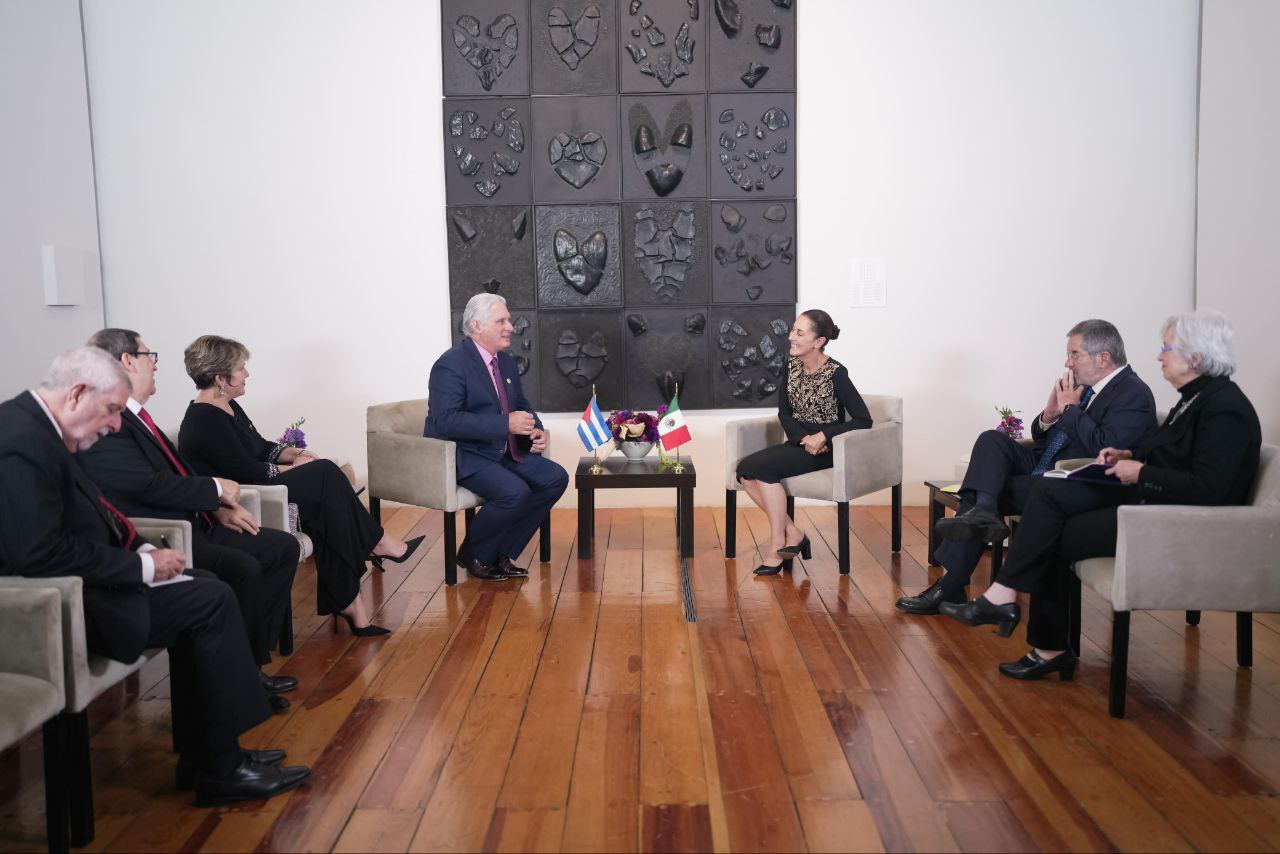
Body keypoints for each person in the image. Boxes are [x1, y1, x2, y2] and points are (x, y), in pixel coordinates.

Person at [0, 347, 309, 804]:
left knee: (206, 587)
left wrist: (143, 548)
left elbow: (97, 515)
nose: (114, 425)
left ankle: (204, 756)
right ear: (78, 393)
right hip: (59, 604)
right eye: (110, 411)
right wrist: (143, 566)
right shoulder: (19, 441)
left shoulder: (38, 427)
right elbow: (38, 553)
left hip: (87, 581)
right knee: (209, 600)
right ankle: (221, 768)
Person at [940, 310, 1262, 680]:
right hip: (1150, 505)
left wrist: (1141, 470)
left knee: (1048, 520)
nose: (1159, 355)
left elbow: (1208, 489)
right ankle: (1021, 616)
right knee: (1044, 497)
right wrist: (1129, 456)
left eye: (1167, 347)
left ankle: (1029, 624)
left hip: (1171, 524)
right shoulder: (1196, 398)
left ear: (1196, 356)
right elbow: (1169, 455)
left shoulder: (1224, 409)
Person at [80, 328, 300, 711]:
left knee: (280, 547)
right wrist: (214, 491)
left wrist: (215, 506)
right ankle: (241, 681)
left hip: (196, 522)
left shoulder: (138, 418)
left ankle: (250, 665)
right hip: (168, 533)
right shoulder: (113, 423)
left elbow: (178, 473)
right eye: (151, 356)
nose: (156, 366)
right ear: (128, 362)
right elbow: (147, 485)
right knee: (244, 568)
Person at [896, 319, 1157, 616]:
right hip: (1042, 462)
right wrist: (1049, 414)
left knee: (987, 490)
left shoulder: (1132, 393)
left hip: (1069, 481)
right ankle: (980, 516)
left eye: (1074, 354)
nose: (1067, 362)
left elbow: (1106, 448)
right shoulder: (1087, 388)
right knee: (991, 440)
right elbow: (1049, 435)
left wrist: (1071, 409)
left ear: (1103, 358)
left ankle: (951, 582)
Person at [176, 335, 422, 636]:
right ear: (220, 378)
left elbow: (258, 446)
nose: (247, 374)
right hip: (249, 498)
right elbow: (242, 470)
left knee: (330, 511)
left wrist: (289, 453)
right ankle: (377, 544)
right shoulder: (204, 418)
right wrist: (290, 466)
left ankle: (351, 601)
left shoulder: (226, 406)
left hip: (263, 486)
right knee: (325, 474)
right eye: (241, 368)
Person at [425, 293, 569, 581]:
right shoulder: (451, 364)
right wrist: (505, 424)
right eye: (501, 320)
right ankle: (474, 554)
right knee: (514, 492)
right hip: (464, 454)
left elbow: (521, 404)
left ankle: (501, 552)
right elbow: (446, 419)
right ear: (477, 326)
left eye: (509, 320)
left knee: (555, 478)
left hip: (501, 451)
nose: (510, 327)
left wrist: (535, 428)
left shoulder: (504, 363)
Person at [735, 309, 872, 575]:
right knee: (745, 472)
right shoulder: (791, 366)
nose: (791, 337)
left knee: (760, 470)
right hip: (800, 444)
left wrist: (823, 436)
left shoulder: (836, 373)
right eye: (792, 330)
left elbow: (863, 420)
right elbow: (784, 413)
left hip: (827, 450)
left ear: (818, 341)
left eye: (799, 333)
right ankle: (794, 532)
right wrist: (802, 438)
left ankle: (777, 544)